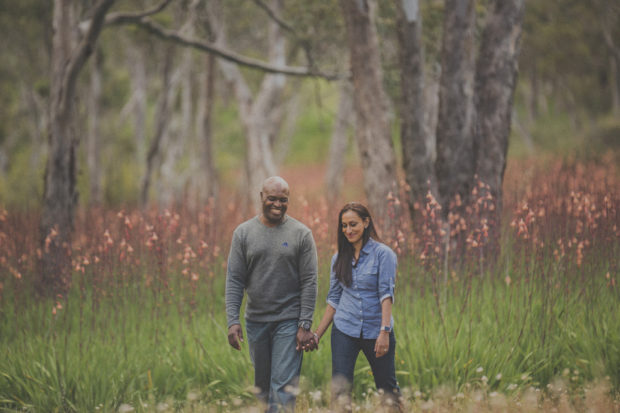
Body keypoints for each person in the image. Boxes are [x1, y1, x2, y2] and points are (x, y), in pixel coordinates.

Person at [225, 176, 318, 413]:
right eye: (272, 199)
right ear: (261, 198)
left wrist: (305, 323)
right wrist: (233, 321)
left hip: (289, 321)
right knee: (262, 388)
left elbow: (309, 281)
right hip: (256, 321)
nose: (278, 204)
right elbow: (235, 278)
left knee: (283, 387)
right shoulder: (243, 233)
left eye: (283, 200)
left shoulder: (301, 234)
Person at [312, 202, 401, 409]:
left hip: (376, 331)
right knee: (340, 391)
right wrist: (317, 335)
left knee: (387, 389)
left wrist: (384, 331)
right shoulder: (338, 258)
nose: (348, 230)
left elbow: (386, 294)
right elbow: (333, 299)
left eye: (353, 224)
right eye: (344, 226)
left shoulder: (384, 254)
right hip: (344, 329)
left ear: (366, 222)